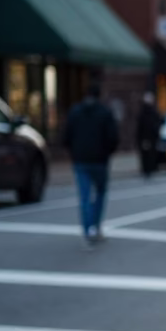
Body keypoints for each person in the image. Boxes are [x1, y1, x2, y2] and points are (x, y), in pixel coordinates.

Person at [63, 82, 120, 249]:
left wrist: (74, 152)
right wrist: (106, 153)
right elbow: (113, 138)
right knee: (100, 193)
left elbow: (66, 136)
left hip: (81, 160)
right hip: (99, 161)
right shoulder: (104, 113)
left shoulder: (75, 112)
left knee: (85, 196)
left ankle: (88, 229)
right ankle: (95, 226)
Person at [136, 92, 163, 179]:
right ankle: (148, 170)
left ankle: (149, 169)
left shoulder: (151, 112)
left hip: (149, 138)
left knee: (149, 155)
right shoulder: (146, 113)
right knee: (147, 155)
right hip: (147, 138)